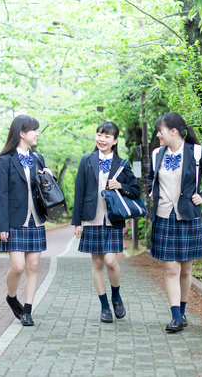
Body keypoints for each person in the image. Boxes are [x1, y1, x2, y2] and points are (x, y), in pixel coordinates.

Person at [147, 112, 202, 333]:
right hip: (163, 216)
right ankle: (176, 317)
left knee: (186, 269)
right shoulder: (156, 154)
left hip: (188, 216)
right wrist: (152, 191)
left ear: (173, 131)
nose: (158, 135)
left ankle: (182, 312)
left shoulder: (196, 152)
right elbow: (151, 178)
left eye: (160, 130)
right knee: (171, 268)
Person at [72, 122, 141, 323]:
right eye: (99, 134)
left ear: (115, 141)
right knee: (97, 263)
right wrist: (77, 223)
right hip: (91, 218)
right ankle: (104, 307)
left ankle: (116, 297)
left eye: (107, 136)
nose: (101, 139)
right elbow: (79, 192)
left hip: (113, 218)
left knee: (111, 261)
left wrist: (120, 185)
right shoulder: (86, 160)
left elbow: (135, 191)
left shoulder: (123, 164)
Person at [0, 115, 53, 326]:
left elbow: (44, 189)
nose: (37, 133)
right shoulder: (5, 160)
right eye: (33, 130)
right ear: (21, 133)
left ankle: (27, 310)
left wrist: (48, 177)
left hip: (35, 219)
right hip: (14, 221)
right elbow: (1, 195)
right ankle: (11, 297)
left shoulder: (38, 158)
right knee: (18, 267)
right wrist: (2, 226)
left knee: (33, 266)